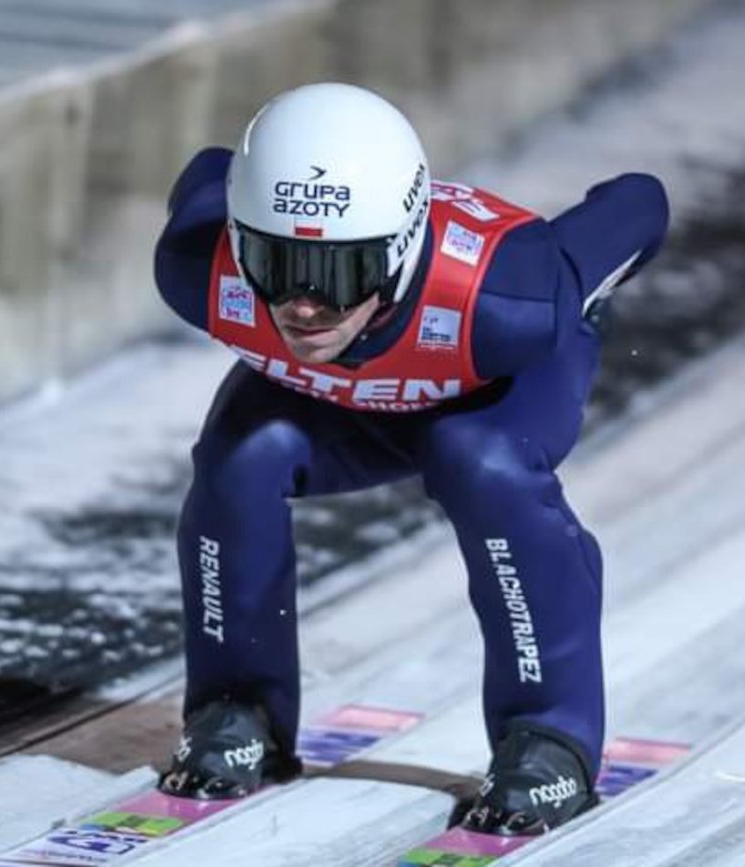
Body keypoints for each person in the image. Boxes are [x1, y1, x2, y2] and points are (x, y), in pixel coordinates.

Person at [152, 82, 669, 835]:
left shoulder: (511, 301)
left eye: (338, 273)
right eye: (273, 261)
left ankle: (549, 734)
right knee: (242, 455)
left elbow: (640, 201)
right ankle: (241, 707)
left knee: (478, 460)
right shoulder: (198, 263)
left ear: (398, 251)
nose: (302, 306)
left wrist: (580, 294)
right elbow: (208, 170)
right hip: (338, 391)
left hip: (487, 382)